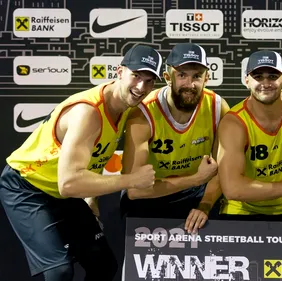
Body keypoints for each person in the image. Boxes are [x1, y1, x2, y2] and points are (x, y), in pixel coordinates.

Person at [0, 44, 161, 281]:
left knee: (104, 265)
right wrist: (132, 180)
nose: (141, 87)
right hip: (27, 186)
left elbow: (92, 158)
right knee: (59, 271)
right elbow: (69, 183)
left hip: (64, 192)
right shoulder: (88, 113)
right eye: (136, 76)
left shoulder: (128, 107)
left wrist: (90, 197)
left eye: (149, 81)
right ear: (119, 72)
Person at [120, 43, 229, 234]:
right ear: (168, 78)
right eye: (182, 75)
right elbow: (135, 190)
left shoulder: (218, 107)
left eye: (197, 76)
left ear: (207, 78)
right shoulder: (143, 114)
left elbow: (221, 168)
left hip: (196, 194)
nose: (190, 84)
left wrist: (205, 205)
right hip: (151, 194)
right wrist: (196, 179)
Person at [217, 50, 282, 228]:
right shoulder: (233, 122)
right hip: (244, 209)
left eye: (273, 76)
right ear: (247, 81)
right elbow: (232, 188)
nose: (265, 83)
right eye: (258, 77)